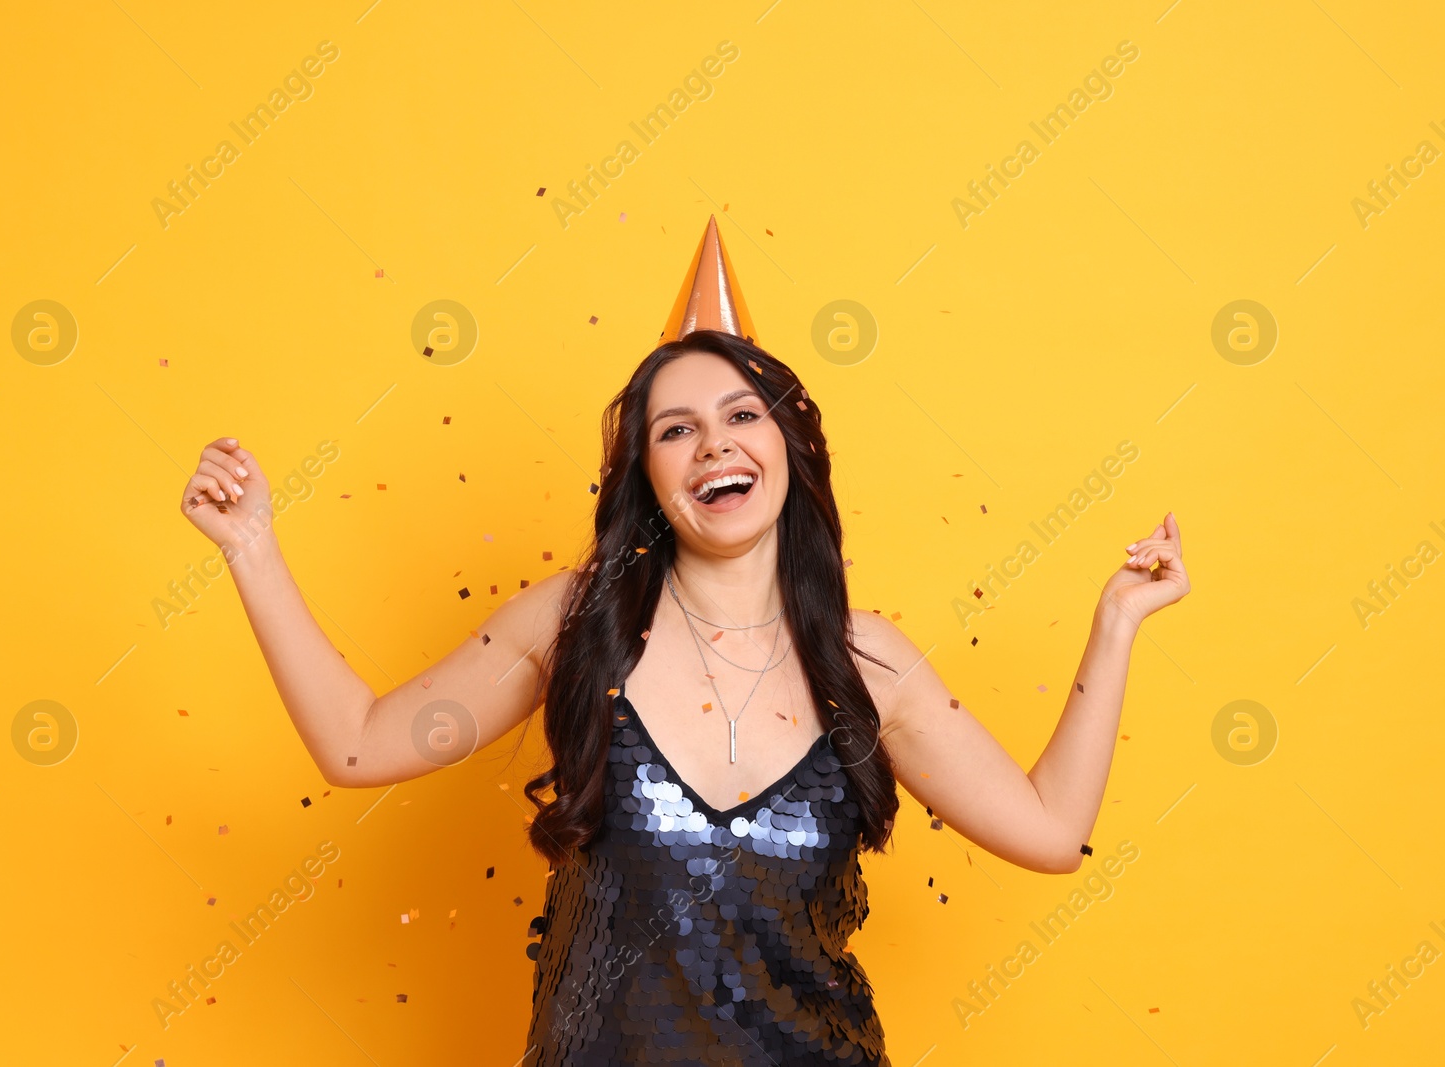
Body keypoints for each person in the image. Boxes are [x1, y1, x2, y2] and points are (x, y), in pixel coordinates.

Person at [179, 223, 1190, 1065]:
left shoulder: (868, 663)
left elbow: (1053, 831)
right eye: (675, 428)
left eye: (740, 414)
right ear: (645, 476)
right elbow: (357, 743)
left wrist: (1115, 621)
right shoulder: (573, 624)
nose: (713, 442)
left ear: (786, 447)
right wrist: (252, 547)